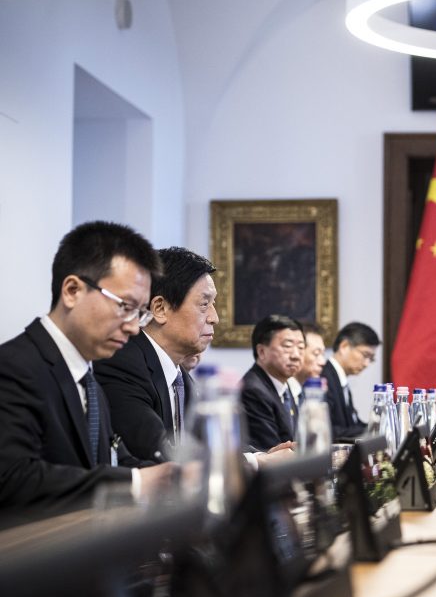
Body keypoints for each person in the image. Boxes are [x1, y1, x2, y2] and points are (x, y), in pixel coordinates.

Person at [0, 221, 175, 516]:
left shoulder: (88, 380)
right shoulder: (14, 367)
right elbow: (13, 478)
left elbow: (111, 462)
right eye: (125, 307)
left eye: (140, 313)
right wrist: (135, 483)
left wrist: (174, 477)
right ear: (72, 291)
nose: (134, 327)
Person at [95, 247, 217, 462]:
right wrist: (253, 462)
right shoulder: (122, 363)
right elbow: (157, 451)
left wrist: (262, 455)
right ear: (160, 309)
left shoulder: (180, 377)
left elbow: (206, 443)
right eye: (204, 304)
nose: (214, 317)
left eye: (213, 304)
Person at [240, 315, 305, 451]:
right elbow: (272, 450)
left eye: (301, 347)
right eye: (287, 346)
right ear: (262, 351)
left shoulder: (284, 384)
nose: (296, 355)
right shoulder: (253, 390)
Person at [323, 322, 380, 439]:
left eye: (371, 359)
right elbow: (328, 429)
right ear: (344, 346)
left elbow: (352, 424)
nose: (367, 363)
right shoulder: (324, 377)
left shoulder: (341, 380)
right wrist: (370, 431)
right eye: (365, 355)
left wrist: (377, 429)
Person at [287, 321, 327, 402]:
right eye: (316, 354)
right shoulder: (283, 395)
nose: (323, 362)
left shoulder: (302, 391)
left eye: (323, 354)